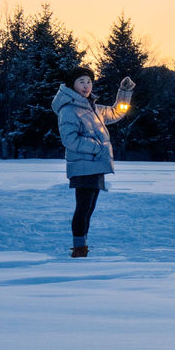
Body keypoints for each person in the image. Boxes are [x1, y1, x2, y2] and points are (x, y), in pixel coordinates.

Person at [52, 65, 134, 257]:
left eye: (89, 81)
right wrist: (96, 147)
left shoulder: (93, 108)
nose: (86, 85)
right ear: (72, 85)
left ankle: (82, 245)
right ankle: (79, 248)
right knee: (83, 207)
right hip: (83, 165)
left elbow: (116, 113)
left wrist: (124, 92)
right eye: (81, 81)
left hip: (95, 165)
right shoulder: (69, 110)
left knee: (89, 208)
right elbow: (69, 139)